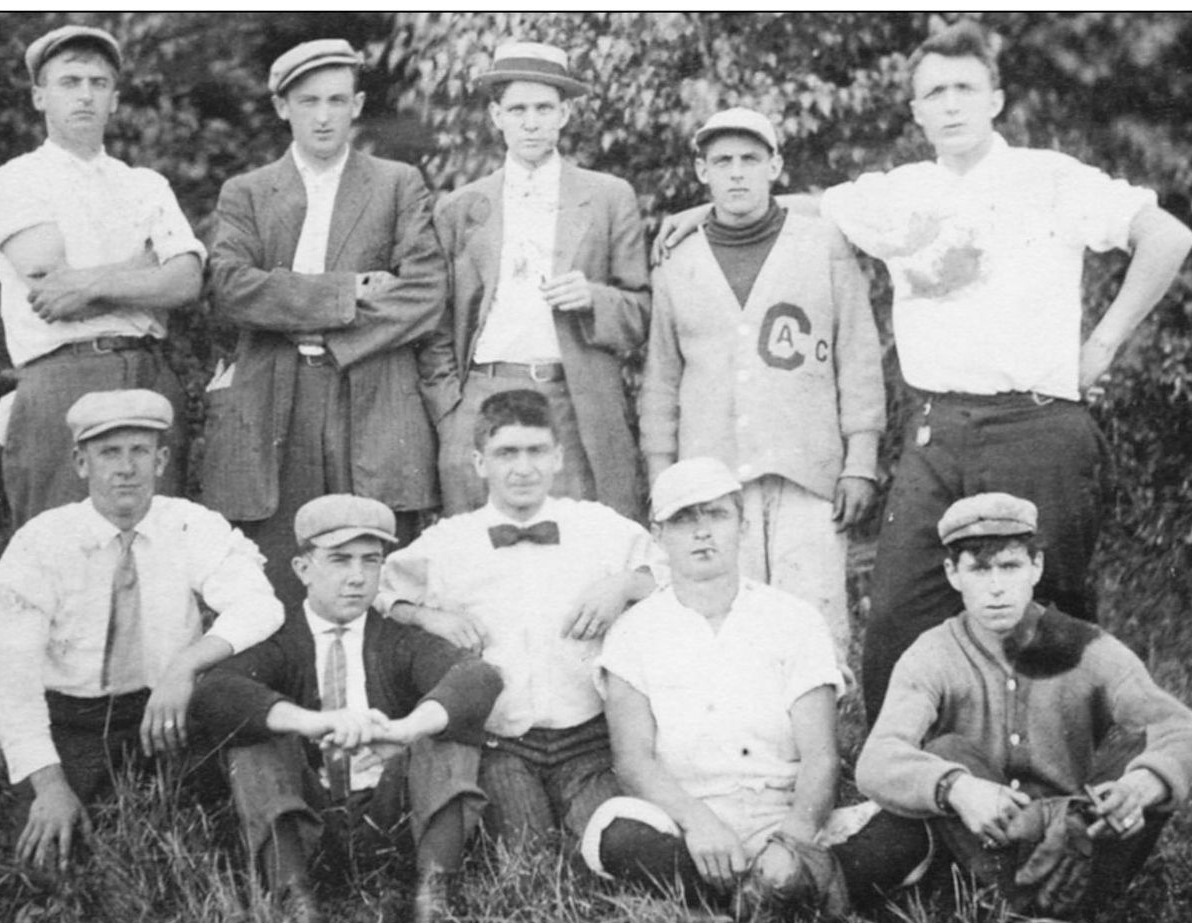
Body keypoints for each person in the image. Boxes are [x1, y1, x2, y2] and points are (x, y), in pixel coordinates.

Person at [657, 20, 1192, 721]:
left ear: (995, 100)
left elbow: (1167, 236)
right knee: (897, 617)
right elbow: (807, 205)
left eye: (964, 88)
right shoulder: (899, 191)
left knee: (1046, 614)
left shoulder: (1049, 178)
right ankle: (902, 784)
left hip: (1037, 426)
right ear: (914, 111)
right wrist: (708, 206)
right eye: (933, 92)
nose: (949, 104)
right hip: (936, 430)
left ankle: (1059, 785)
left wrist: (1102, 345)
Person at [846, 492, 1192, 918]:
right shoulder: (932, 654)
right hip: (978, 845)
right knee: (944, 754)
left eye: (1010, 566)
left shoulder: (1085, 645)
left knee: (1142, 754)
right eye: (979, 568)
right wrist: (958, 788)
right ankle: (1025, 916)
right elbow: (876, 761)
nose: (996, 588)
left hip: (1077, 845)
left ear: (1036, 567)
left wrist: (1141, 787)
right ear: (953, 573)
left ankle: (1039, 913)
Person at [0, 389, 284, 871]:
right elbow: (11, 682)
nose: (126, 468)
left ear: (161, 460)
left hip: (163, 710)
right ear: (81, 463)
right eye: (109, 453)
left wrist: (184, 666)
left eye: (139, 451)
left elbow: (259, 605)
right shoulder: (43, 541)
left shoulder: (187, 524)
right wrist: (50, 785)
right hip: (73, 718)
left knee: (210, 841)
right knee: (51, 860)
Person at [640, 107, 885, 681]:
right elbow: (661, 377)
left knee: (814, 615)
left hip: (808, 466)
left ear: (776, 165)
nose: (737, 173)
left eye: (751, 159)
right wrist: (662, 479)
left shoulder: (822, 242)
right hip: (712, 471)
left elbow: (857, 351)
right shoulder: (678, 258)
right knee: (725, 617)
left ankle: (822, 753)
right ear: (702, 172)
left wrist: (862, 460)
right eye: (722, 161)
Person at [203, 38, 446, 608]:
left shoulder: (396, 184)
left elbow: (425, 290)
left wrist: (309, 322)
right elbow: (232, 288)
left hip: (371, 392)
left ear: (358, 106)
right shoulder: (248, 193)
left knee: (377, 561)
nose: (323, 115)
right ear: (282, 107)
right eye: (308, 100)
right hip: (275, 398)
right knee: (284, 568)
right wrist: (346, 292)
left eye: (337, 100)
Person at [582, 458, 880, 923]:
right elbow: (633, 760)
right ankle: (786, 898)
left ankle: (731, 899)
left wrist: (793, 839)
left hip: (785, 813)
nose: (702, 532)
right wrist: (699, 823)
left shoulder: (794, 618)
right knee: (613, 834)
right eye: (684, 519)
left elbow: (822, 755)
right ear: (658, 537)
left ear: (741, 525)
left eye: (716, 515)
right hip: (688, 824)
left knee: (905, 834)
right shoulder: (634, 632)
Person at [191, 494, 502, 923]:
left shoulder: (397, 639)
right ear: (302, 569)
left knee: (449, 725)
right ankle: (296, 904)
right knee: (255, 733)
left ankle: (433, 899)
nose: (357, 578)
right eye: (339, 560)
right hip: (308, 822)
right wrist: (311, 721)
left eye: (371, 561)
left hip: (390, 818)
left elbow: (477, 676)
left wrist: (406, 728)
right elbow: (215, 693)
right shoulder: (280, 638)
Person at [377, 388, 663, 847]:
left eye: (536, 451)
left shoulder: (599, 526)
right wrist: (426, 616)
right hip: (503, 742)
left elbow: (671, 574)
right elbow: (379, 591)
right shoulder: (450, 541)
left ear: (558, 457)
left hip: (588, 738)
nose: (523, 467)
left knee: (614, 846)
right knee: (527, 852)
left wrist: (625, 585)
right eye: (506, 453)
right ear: (479, 463)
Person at [0, 25, 205, 530]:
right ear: (40, 96)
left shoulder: (145, 184)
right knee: (60, 553)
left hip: (148, 375)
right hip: (62, 379)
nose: (84, 95)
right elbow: (55, 290)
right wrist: (144, 271)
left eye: (98, 83)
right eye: (69, 81)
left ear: (115, 99)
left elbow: (186, 281)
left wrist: (91, 281)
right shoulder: (13, 181)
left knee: (159, 548)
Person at [423, 41, 650, 521]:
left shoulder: (608, 197)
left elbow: (641, 314)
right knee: (479, 546)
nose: (531, 122)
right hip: (482, 394)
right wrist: (451, 409)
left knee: (578, 541)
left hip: (571, 396)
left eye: (544, 108)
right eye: (518, 109)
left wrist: (595, 298)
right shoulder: (461, 207)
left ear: (565, 113)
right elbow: (434, 322)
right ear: (495, 115)